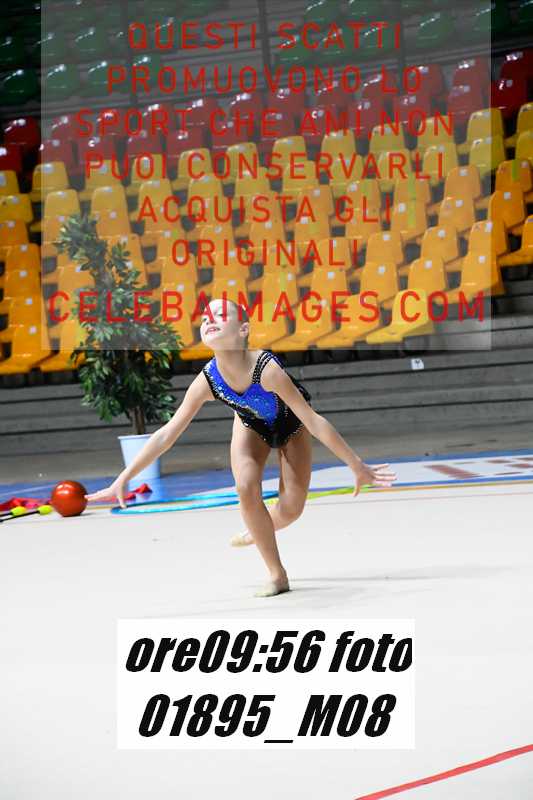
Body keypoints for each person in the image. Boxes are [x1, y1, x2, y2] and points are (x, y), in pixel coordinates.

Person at [86, 297, 397, 597]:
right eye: (205, 318)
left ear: (243, 329)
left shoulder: (267, 370)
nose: (210, 320)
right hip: (250, 426)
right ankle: (277, 574)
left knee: (291, 510)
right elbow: (167, 434)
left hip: (291, 426)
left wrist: (356, 465)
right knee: (245, 486)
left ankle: (257, 529)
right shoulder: (208, 380)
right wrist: (124, 478)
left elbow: (314, 421)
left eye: (221, 316)